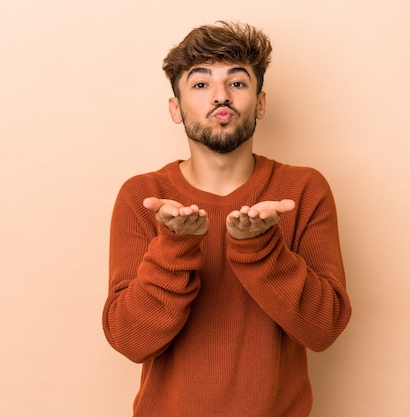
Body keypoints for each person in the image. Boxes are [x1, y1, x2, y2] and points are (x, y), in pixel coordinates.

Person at [102, 21, 352, 417]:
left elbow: (323, 330)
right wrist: (175, 245)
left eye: (237, 83)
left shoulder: (303, 189)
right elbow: (132, 341)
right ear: (176, 108)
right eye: (200, 85)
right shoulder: (143, 197)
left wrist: (261, 248)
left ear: (261, 103)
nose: (220, 95)